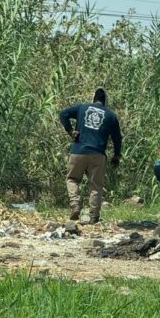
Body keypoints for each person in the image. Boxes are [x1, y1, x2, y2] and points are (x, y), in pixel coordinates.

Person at [59, 88, 122, 223]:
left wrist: (70, 131)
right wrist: (116, 155)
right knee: (96, 186)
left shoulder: (82, 108)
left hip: (78, 151)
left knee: (72, 179)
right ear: (106, 101)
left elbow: (63, 114)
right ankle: (93, 216)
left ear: (93, 98)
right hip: (98, 155)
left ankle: (75, 206)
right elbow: (117, 138)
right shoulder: (111, 116)